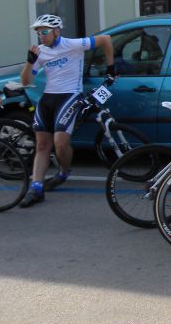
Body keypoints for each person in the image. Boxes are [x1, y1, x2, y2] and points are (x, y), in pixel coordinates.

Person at [19, 14, 115, 207]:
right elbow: (26, 82)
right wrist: (29, 62)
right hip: (49, 97)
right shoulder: (41, 52)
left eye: (44, 32)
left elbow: (106, 40)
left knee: (60, 143)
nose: (41, 36)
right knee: (42, 145)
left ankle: (63, 171)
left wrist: (111, 68)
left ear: (56, 31)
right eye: (38, 33)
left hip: (70, 95)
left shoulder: (73, 44)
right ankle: (36, 187)